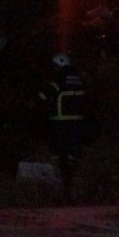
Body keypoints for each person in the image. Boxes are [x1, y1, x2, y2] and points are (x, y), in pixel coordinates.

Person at [37, 52, 86, 191]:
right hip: (77, 120)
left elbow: (45, 94)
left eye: (55, 65)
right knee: (73, 149)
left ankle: (59, 176)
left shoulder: (60, 77)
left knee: (57, 149)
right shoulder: (78, 78)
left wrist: (37, 97)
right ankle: (71, 174)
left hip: (60, 119)